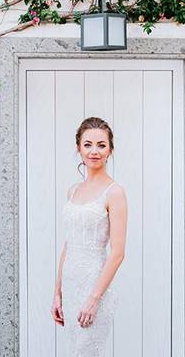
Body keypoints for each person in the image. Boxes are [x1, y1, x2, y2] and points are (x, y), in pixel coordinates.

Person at [51, 116, 128, 356]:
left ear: (110, 150)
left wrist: (94, 298)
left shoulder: (115, 193)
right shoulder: (73, 190)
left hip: (95, 286)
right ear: (79, 148)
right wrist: (57, 292)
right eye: (88, 144)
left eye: (101, 145)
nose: (94, 151)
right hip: (71, 286)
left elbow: (117, 253)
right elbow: (69, 244)